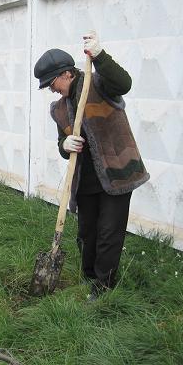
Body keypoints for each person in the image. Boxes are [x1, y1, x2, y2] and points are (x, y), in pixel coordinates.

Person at [33, 31, 150, 300]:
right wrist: (65, 145)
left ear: (66, 74)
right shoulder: (59, 109)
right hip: (84, 180)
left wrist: (99, 55)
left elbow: (124, 82)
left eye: (51, 83)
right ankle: (89, 279)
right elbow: (63, 143)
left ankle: (103, 287)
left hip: (117, 173)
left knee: (109, 233)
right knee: (86, 234)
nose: (51, 89)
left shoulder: (99, 84)